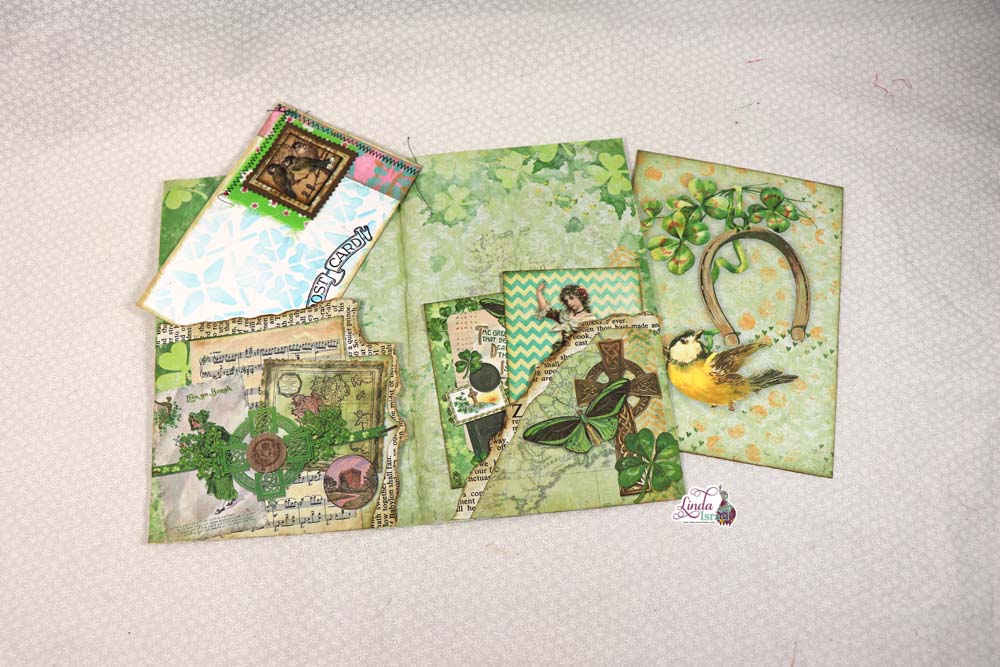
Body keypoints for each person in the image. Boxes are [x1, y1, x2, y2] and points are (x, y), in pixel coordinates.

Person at [535, 281, 596, 350]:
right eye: (566, 301)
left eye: (571, 298)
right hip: (564, 350)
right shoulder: (565, 315)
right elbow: (545, 311)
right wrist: (539, 293)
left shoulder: (589, 319)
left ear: (580, 297)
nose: (569, 303)